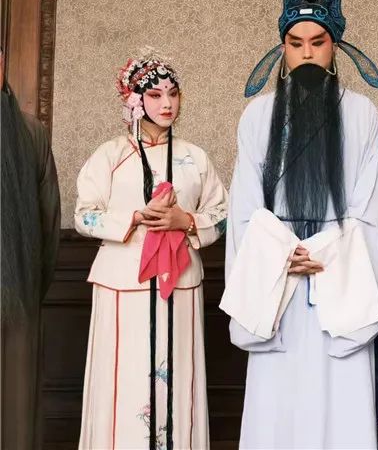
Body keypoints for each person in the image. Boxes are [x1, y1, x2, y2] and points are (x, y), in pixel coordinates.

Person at [226, 0, 378, 448]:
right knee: (276, 407)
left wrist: (324, 252)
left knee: (340, 405)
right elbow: (244, 208)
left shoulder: (362, 114)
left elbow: (371, 207)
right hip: (275, 282)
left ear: (334, 47)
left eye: (317, 42)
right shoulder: (257, 117)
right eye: (295, 43)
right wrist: (281, 253)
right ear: (282, 47)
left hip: (339, 276)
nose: (306, 53)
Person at [74, 52, 227, 449]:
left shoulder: (195, 157)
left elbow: (224, 214)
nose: (167, 103)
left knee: (178, 377)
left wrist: (186, 220)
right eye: (155, 95)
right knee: (122, 379)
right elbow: (84, 216)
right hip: (122, 284)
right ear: (134, 100)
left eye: (173, 94)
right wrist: (135, 217)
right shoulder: (110, 155)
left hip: (181, 283)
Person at [0, 45, 60, 449]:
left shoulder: (31, 134)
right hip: (22, 293)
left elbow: (48, 224)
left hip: (18, 295)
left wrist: (27, 290)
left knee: (16, 414)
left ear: (3, 62)